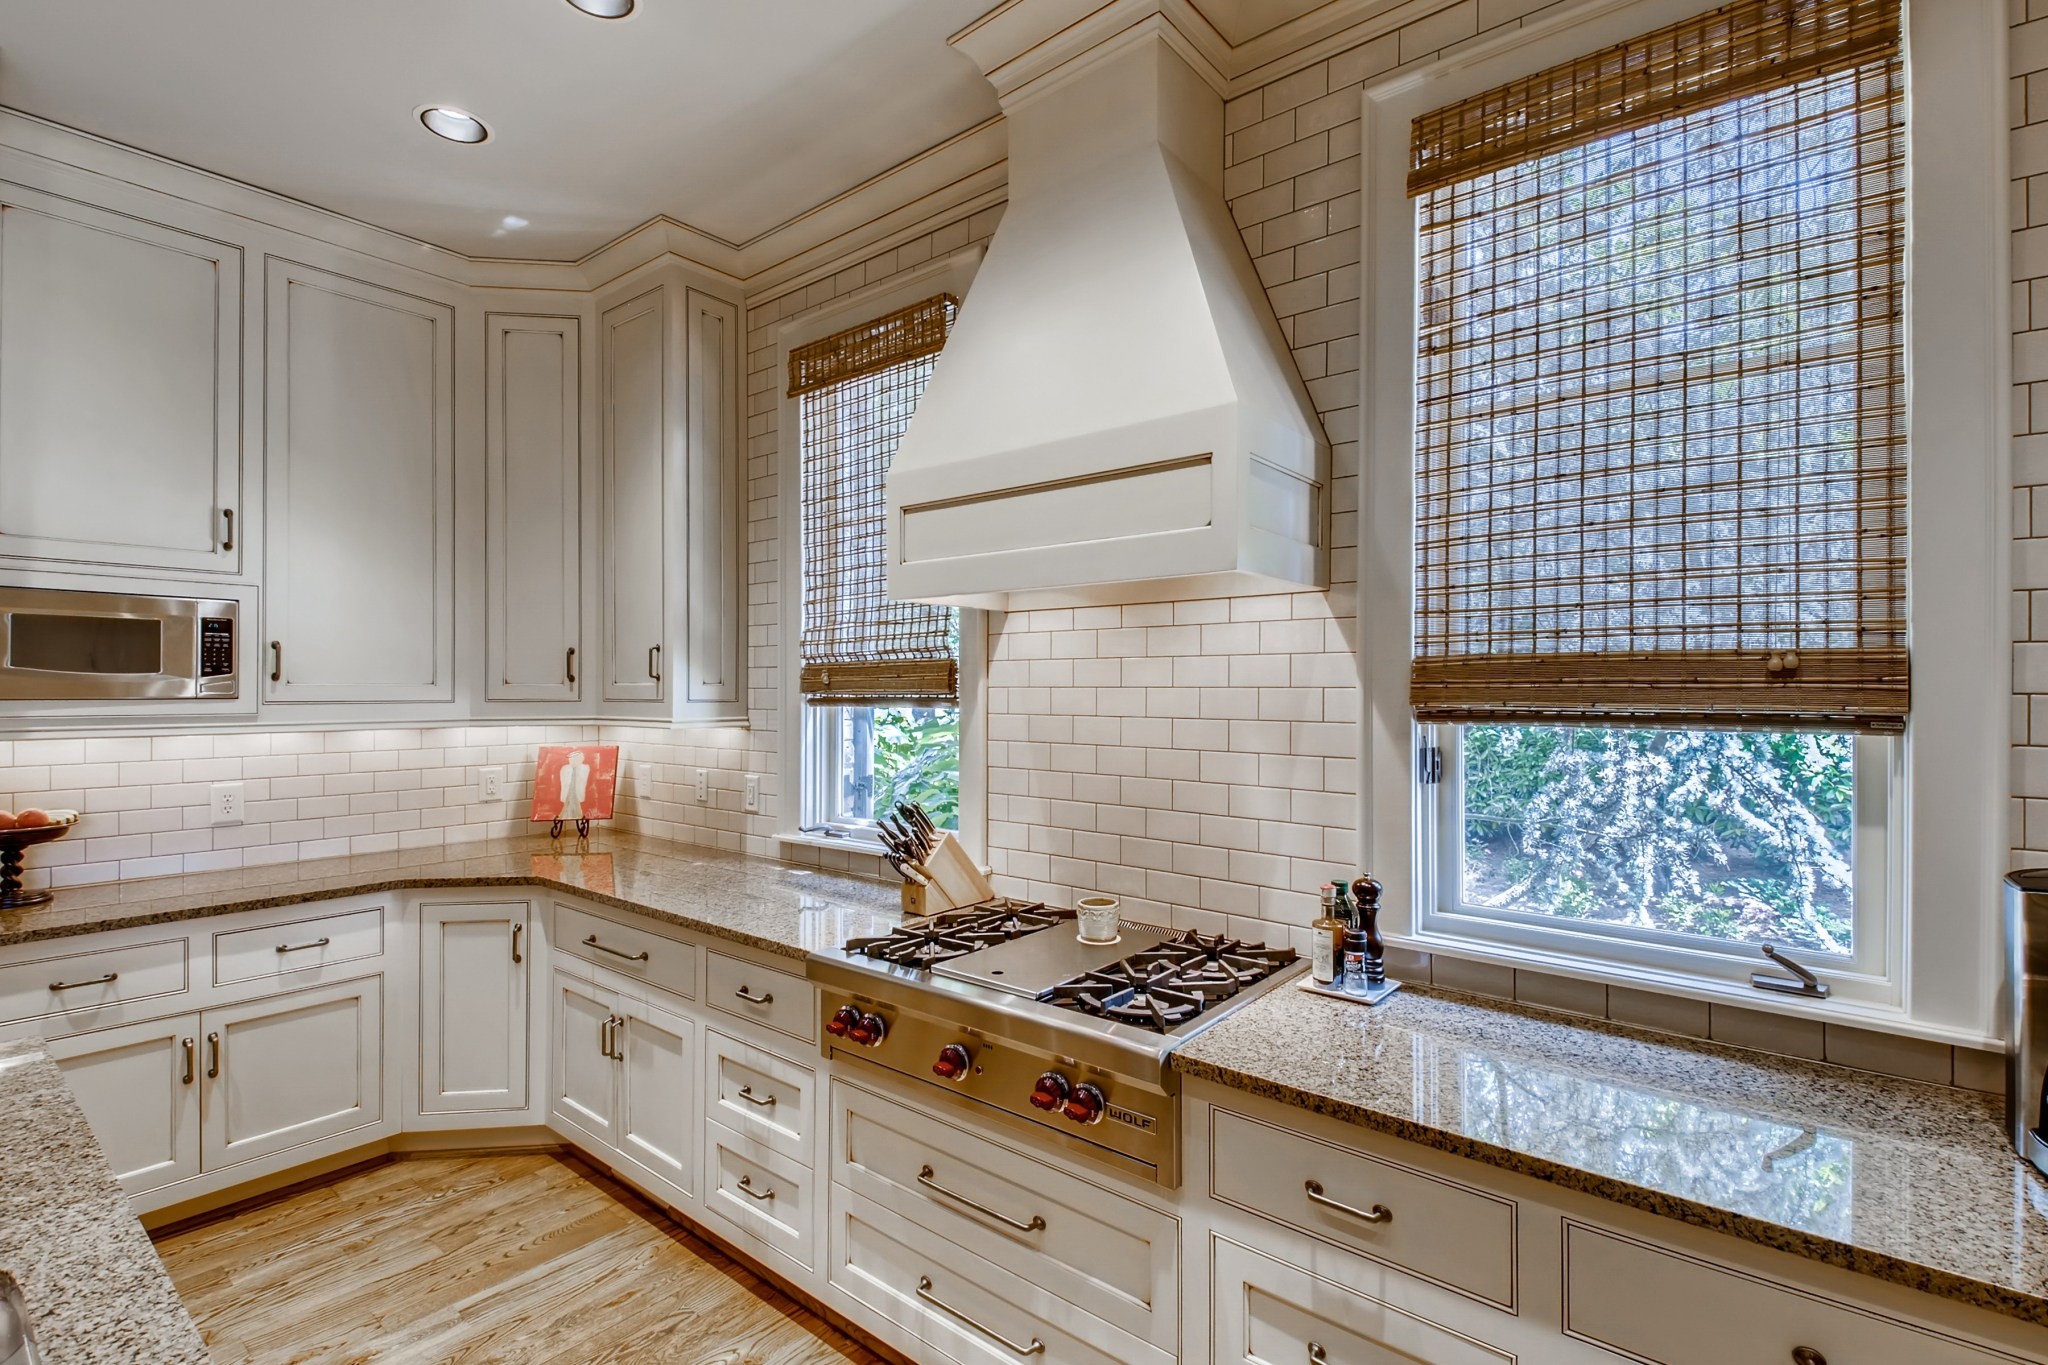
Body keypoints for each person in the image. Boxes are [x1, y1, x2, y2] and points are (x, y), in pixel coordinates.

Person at [558, 750, 590, 823]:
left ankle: (577, 815)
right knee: (567, 806)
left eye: (573, 759)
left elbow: (584, 783)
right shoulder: (565, 769)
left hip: (577, 794)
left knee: (576, 807)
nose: (571, 761)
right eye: (570, 759)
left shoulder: (585, 768)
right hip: (568, 794)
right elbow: (563, 783)